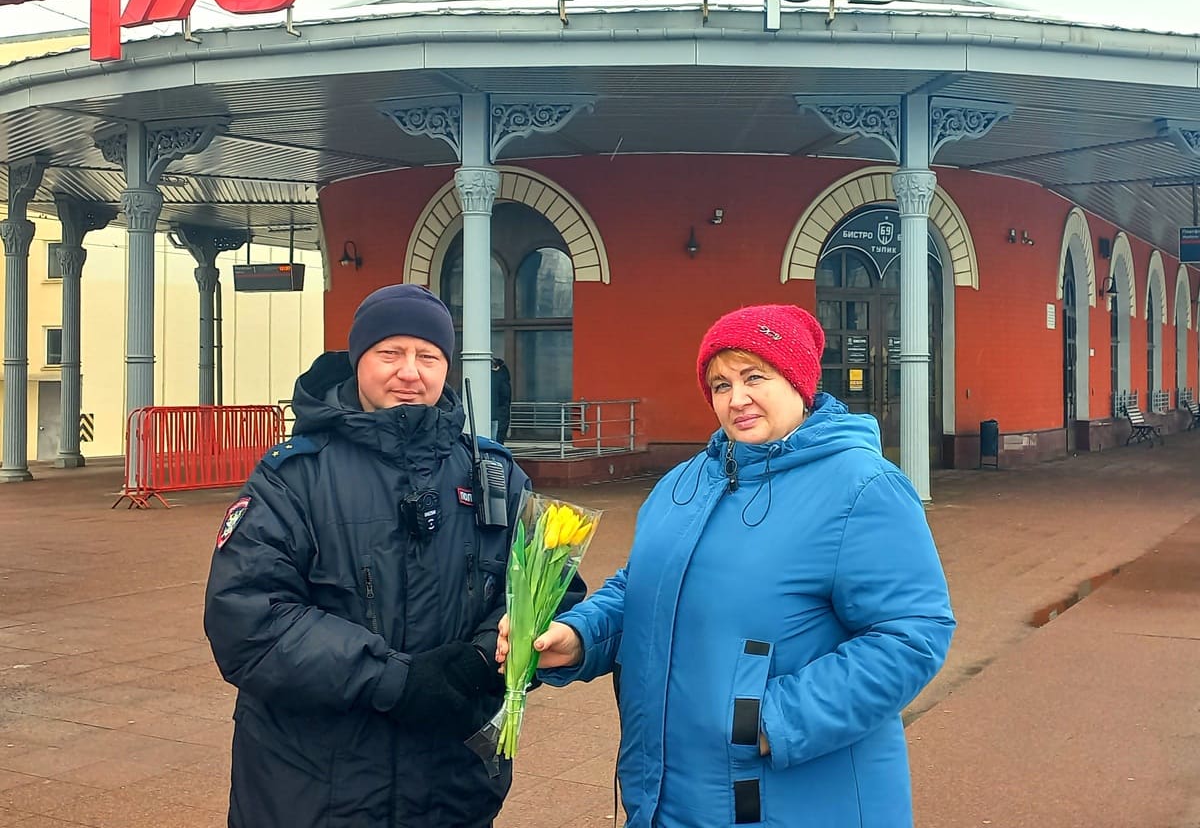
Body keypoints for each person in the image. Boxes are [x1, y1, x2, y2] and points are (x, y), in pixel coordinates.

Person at [498, 303, 955, 827]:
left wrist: (773, 720)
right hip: (667, 798)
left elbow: (912, 634)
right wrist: (578, 635)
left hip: (790, 802)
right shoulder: (684, 483)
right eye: (720, 384)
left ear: (798, 382)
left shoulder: (862, 486)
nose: (736, 399)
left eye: (754, 377)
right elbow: (641, 588)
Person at [204, 284, 533, 828]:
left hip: (449, 789)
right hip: (312, 790)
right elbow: (246, 618)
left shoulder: (493, 474)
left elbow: (547, 589)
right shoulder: (293, 477)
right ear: (358, 359)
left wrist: (482, 659)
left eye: (428, 356)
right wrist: (394, 679)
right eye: (390, 353)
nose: (410, 372)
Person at [491, 356, 512, 445]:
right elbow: (505, 398)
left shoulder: (492, 378)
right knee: (496, 443)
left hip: (493, 415)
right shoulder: (503, 377)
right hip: (499, 416)